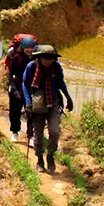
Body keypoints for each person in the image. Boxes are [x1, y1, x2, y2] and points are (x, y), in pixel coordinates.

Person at [22, 44, 74, 173]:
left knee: (55, 131)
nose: (48, 60)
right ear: (39, 57)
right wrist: (28, 103)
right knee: (38, 134)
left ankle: (50, 155)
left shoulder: (56, 67)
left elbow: (61, 83)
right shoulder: (32, 67)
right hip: (37, 103)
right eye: (45, 58)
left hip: (53, 101)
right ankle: (39, 158)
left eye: (51, 58)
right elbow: (25, 84)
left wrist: (68, 98)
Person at [4, 34, 37, 142]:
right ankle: (15, 131)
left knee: (31, 112)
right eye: (27, 47)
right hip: (17, 88)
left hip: (30, 88)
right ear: (22, 47)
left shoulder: (35, 60)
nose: (29, 50)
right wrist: (14, 89)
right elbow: (11, 75)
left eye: (31, 48)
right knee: (14, 111)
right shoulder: (16, 58)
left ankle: (31, 135)